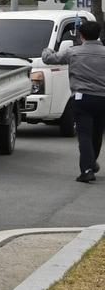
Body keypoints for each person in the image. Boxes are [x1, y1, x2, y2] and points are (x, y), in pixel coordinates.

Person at [42, 18, 105, 183]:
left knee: (84, 134)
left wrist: (47, 48)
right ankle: (91, 163)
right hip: (103, 99)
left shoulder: (73, 52)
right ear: (98, 35)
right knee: (97, 134)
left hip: (82, 98)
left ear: (82, 35)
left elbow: (49, 59)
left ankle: (87, 170)